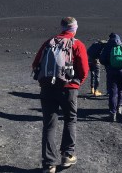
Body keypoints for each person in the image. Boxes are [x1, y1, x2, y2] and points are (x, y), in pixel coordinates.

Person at [32, 17, 89, 173]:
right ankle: (67, 156)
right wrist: (76, 83)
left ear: (62, 27)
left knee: (49, 124)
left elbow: (35, 64)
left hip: (47, 88)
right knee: (70, 119)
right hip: (68, 88)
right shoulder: (77, 44)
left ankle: (48, 164)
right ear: (74, 28)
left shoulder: (49, 43)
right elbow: (84, 69)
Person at [99, 33, 122, 122]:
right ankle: (119, 108)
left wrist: (108, 64)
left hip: (111, 71)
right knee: (121, 89)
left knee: (113, 92)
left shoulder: (108, 47)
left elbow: (102, 59)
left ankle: (112, 113)